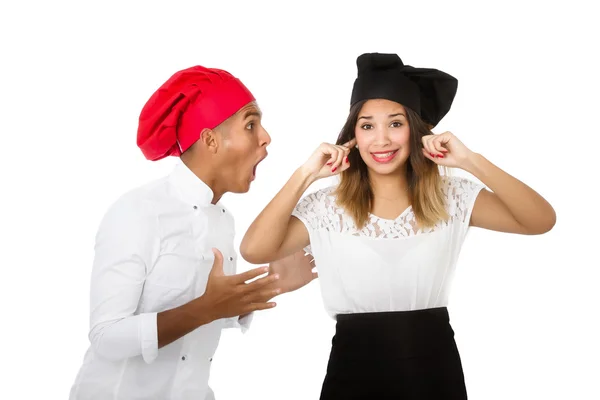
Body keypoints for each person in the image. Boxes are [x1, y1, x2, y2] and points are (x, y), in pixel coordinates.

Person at [240, 53, 556, 399]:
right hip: (352, 371)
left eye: (395, 123)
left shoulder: (451, 197)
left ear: (415, 131)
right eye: (367, 126)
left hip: (433, 371)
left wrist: (470, 161)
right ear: (353, 137)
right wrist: (305, 175)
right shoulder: (328, 206)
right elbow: (255, 249)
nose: (381, 140)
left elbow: (540, 220)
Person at [69, 65, 316, 400]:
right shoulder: (139, 212)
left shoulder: (224, 220)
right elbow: (106, 336)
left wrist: (265, 287)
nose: (266, 137)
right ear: (210, 140)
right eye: (250, 124)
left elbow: (201, 322)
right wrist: (205, 308)